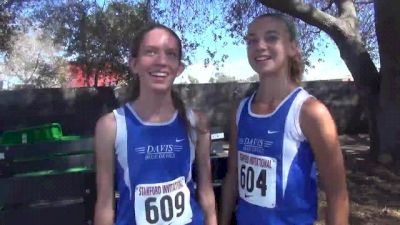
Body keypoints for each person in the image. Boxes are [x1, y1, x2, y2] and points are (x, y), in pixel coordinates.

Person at [219, 13, 349, 225]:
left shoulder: (309, 112)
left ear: (292, 48)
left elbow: (337, 196)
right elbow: (232, 176)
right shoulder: (241, 110)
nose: (259, 45)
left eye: (271, 38)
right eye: (252, 40)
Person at [94, 23, 217, 225]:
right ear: (134, 64)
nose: (161, 61)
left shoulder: (196, 122)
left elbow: (205, 191)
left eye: (170, 54)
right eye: (150, 52)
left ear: (179, 68)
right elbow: (105, 204)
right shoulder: (111, 126)